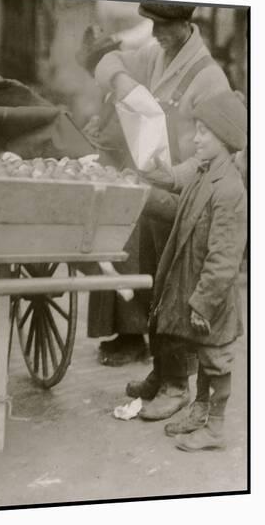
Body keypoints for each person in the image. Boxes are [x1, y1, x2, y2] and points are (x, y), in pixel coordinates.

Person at [94, 2, 232, 420]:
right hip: (160, 187)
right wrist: (124, 83)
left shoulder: (209, 78)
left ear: (187, 26)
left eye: (164, 26)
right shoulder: (156, 55)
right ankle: (162, 371)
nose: (155, 32)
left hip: (191, 196)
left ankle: (177, 385)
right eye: (152, 24)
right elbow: (107, 61)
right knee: (155, 283)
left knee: (174, 288)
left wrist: (171, 174)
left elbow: (221, 152)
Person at [140, 91, 246, 449]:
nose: (195, 138)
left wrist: (203, 301)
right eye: (196, 130)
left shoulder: (229, 188)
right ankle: (201, 411)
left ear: (225, 138)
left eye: (204, 132)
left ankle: (215, 429)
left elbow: (225, 257)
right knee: (203, 351)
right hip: (198, 286)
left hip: (212, 296)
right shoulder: (204, 172)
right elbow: (177, 190)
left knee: (217, 358)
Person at [78, 24, 152, 366]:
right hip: (115, 193)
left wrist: (102, 140)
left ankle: (133, 338)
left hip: (130, 197)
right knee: (110, 262)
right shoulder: (109, 96)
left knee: (125, 262)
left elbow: (136, 143)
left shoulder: (129, 93)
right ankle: (122, 335)